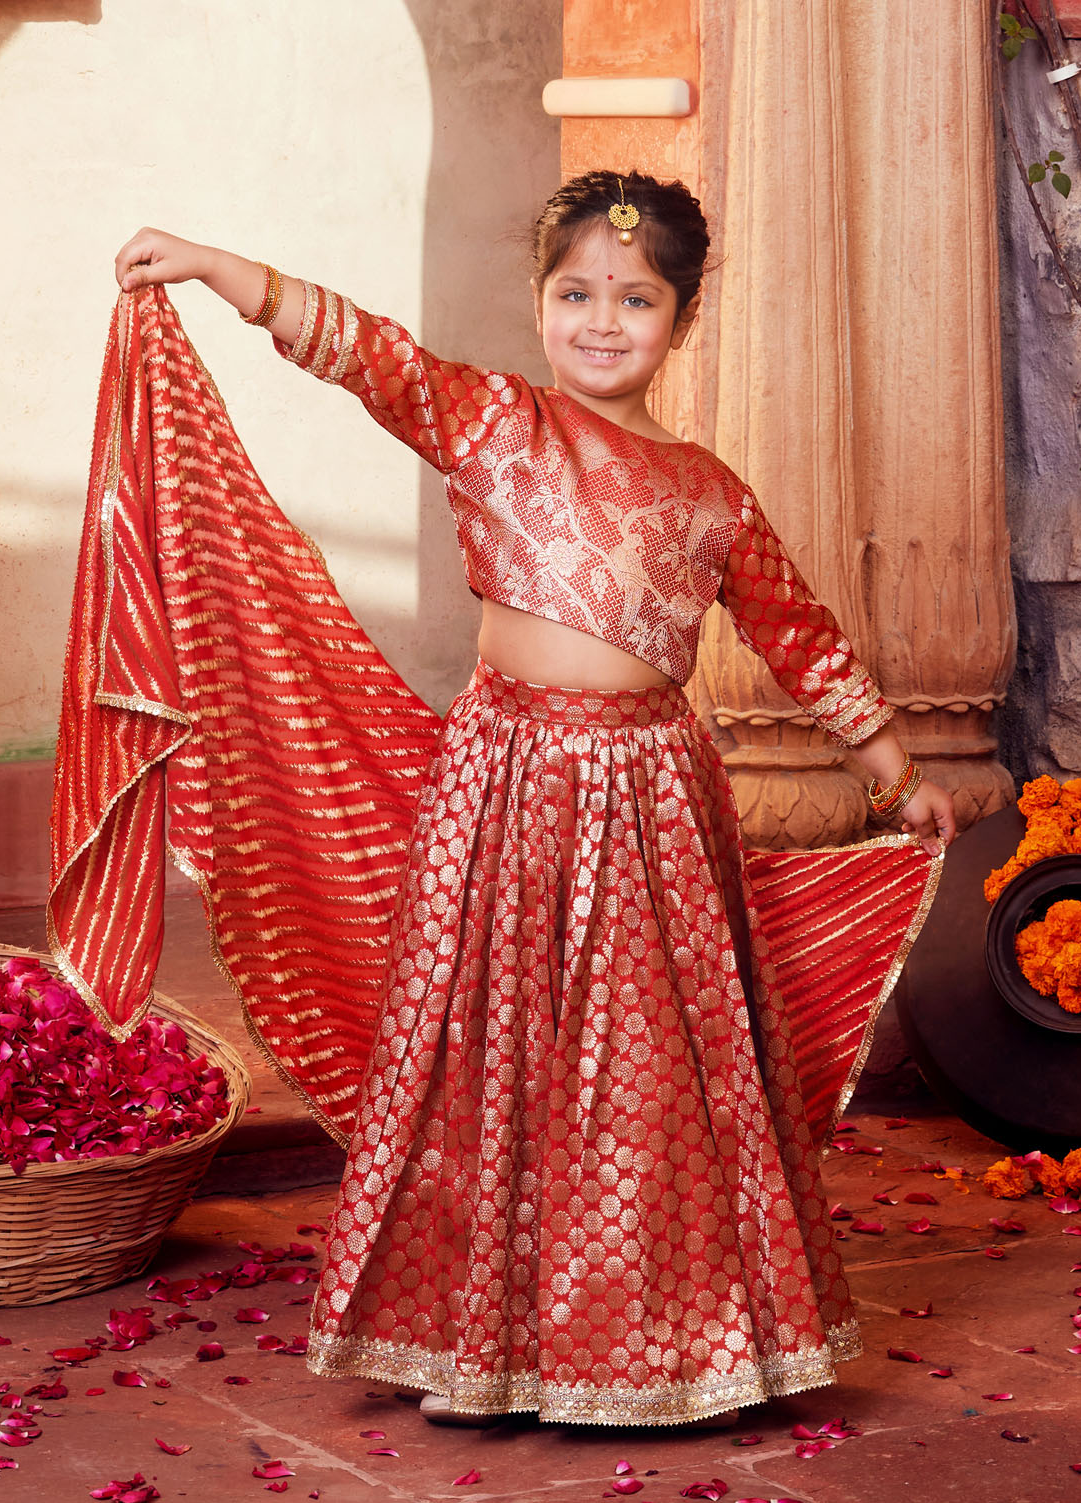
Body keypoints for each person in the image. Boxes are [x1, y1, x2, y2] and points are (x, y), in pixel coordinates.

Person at [112, 170, 956, 1428]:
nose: (601, 320)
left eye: (635, 299)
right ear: (538, 300)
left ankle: (656, 1342)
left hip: (651, 799)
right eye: (575, 294)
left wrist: (890, 761)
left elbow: (794, 631)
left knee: (639, 1072)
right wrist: (210, 262)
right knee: (481, 1059)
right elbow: (361, 349)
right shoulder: (493, 421)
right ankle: (479, 1336)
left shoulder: (709, 491)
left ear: (681, 318)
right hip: (501, 781)